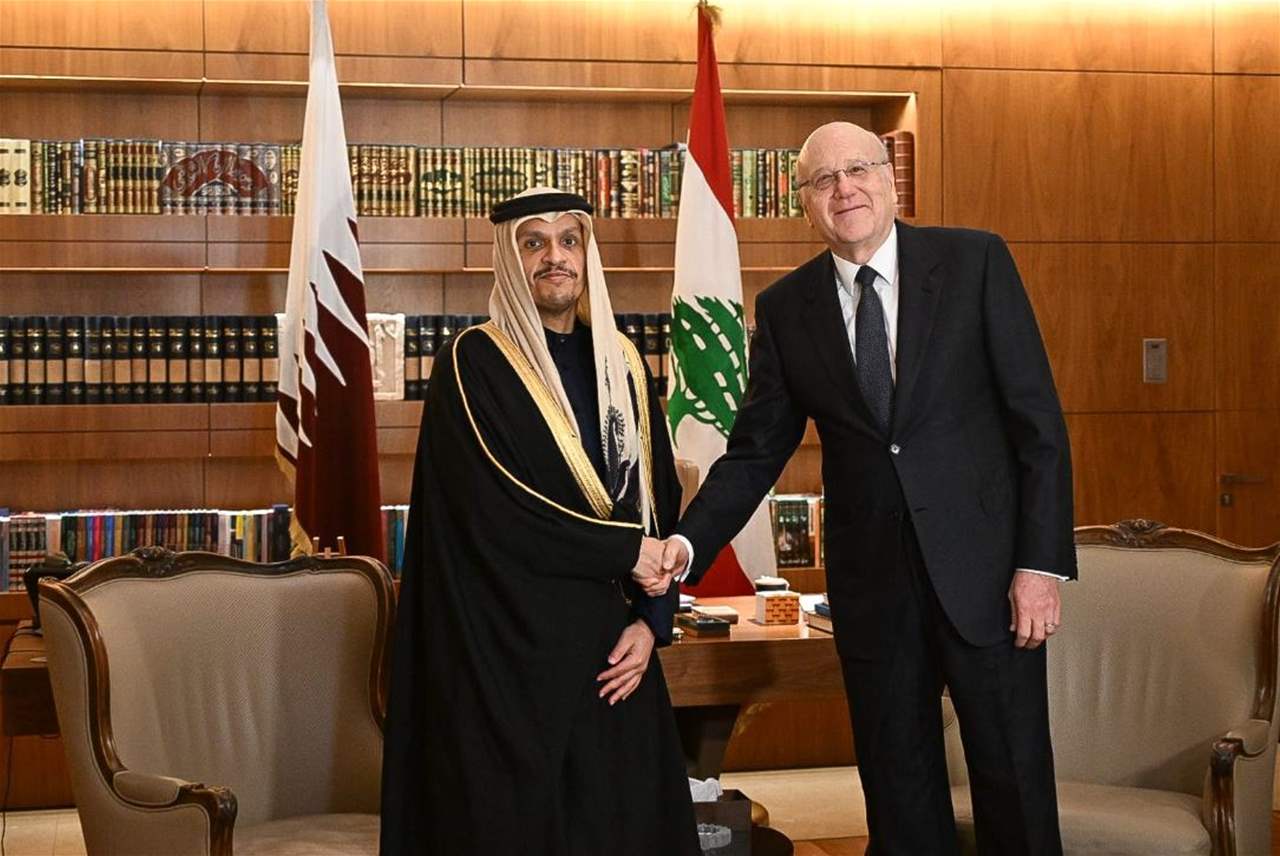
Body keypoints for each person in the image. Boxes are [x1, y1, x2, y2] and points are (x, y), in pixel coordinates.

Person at [649, 122, 1076, 855]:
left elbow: (1038, 425)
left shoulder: (974, 262)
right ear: (804, 203)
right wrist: (687, 542)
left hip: (988, 579)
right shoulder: (787, 308)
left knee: (1013, 781)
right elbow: (754, 452)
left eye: (858, 170)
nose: (844, 189)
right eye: (824, 180)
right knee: (898, 789)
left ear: (889, 178)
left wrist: (1038, 566)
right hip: (874, 590)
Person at [379, 187, 699, 855]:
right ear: (509, 257)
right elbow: (496, 511)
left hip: (615, 655)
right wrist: (626, 553)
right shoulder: (474, 362)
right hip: (508, 660)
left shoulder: (622, 362)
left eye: (569, 240)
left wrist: (652, 622)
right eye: (535, 243)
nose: (556, 257)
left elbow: (658, 504)